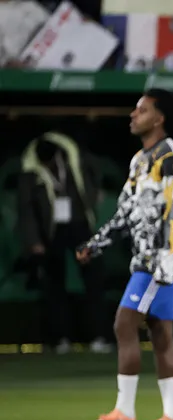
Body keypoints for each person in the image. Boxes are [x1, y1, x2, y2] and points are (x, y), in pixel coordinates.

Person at [78, 89, 173, 420]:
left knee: (124, 324)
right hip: (146, 259)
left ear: (159, 118)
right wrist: (96, 244)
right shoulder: (140, 161)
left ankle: (123, 413)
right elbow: (125, 213)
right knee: (160, 333)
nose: (133, 114)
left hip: (157, 262)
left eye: (141, 110)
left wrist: (166, 260)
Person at [17, 132, 110, 353]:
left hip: (79, 223)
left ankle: (99, 336)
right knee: (53, 285)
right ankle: (60, 339)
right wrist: (34, 241)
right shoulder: (30, 171)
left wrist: (94, 192)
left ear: (58, 155)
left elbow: (96, 170)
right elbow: (26, 209)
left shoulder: (76, 159)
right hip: (51, 230)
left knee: (93, 280)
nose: (48, 166)